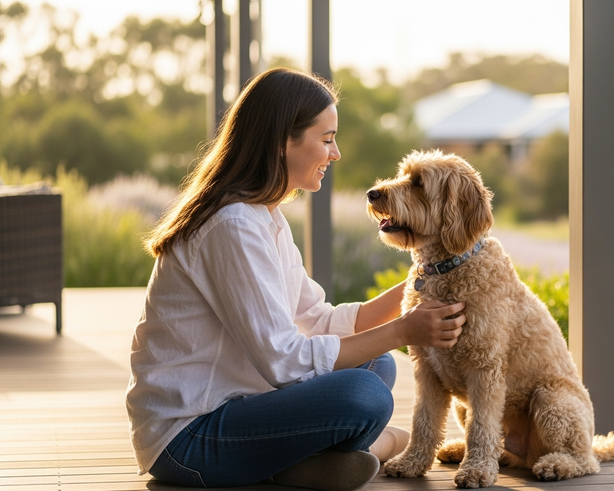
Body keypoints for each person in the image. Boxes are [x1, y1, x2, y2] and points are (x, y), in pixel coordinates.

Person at [125, 67, 466, 490]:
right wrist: (402, 330)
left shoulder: (264, 216)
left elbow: (315, 319)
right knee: (364, 395)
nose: (335, 153)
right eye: (326, 140)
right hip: (188, 439)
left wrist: (423, 284)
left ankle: (294, 466)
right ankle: (380, 444)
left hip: (243, 406)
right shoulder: (231, 226)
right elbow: (285, 360)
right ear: (282, 140)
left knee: (375, 365)